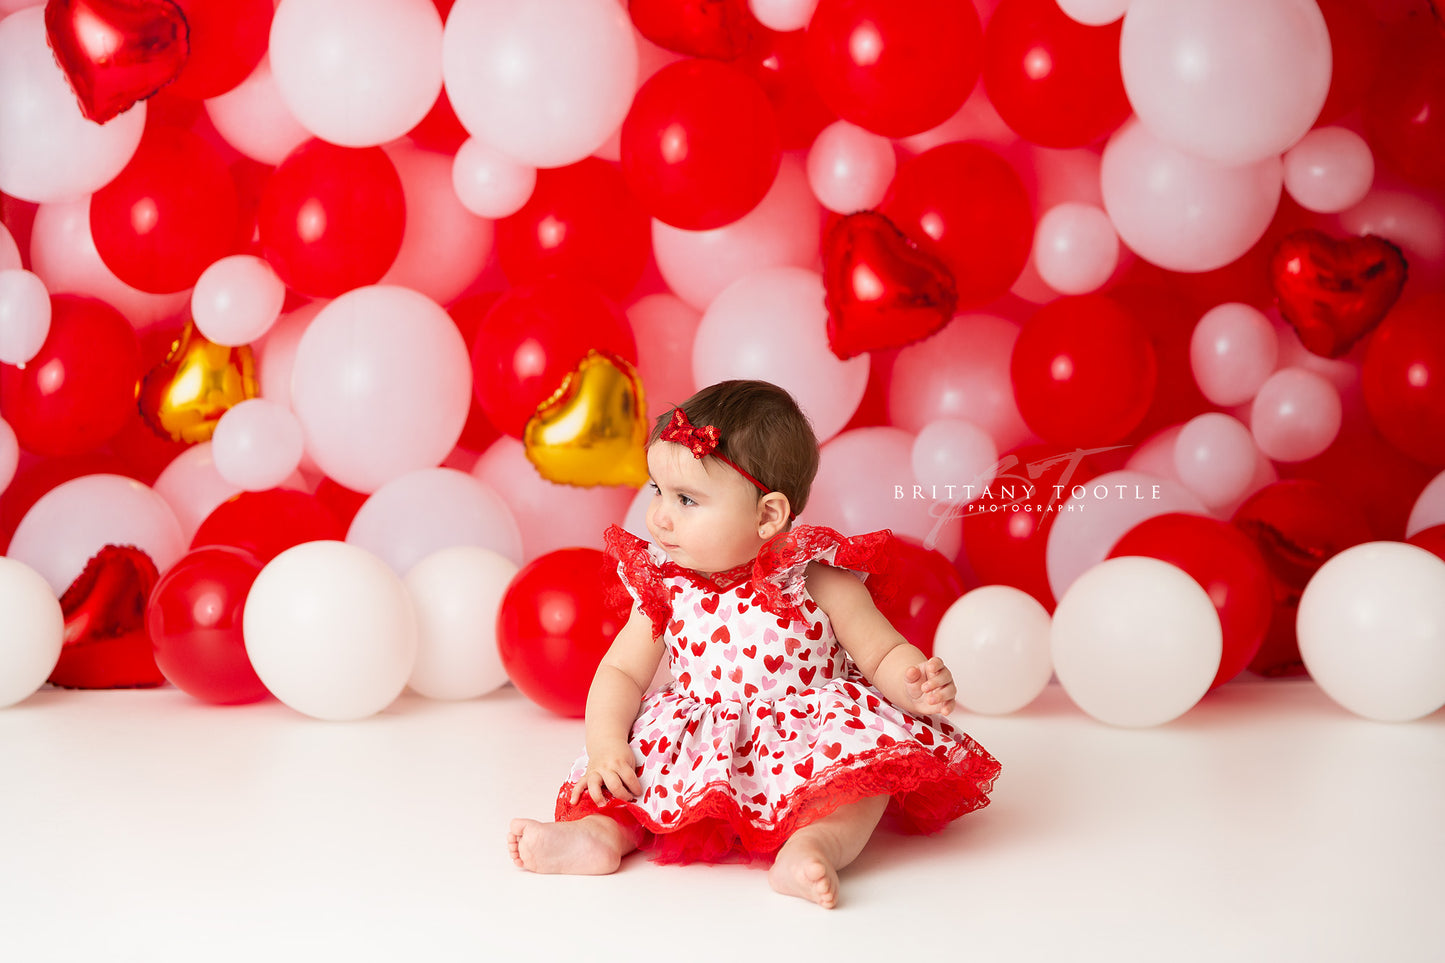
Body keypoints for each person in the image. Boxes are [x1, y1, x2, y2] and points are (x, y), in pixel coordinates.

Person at [507, 380, 1000, 908]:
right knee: (633, 781)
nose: (660, 517)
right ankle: (598, 838)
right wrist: (607, 746)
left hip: (809, 740)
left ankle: (815, 846)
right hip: (700, 741)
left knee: (862, 781)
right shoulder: (669, 585)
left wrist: (914, 682)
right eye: (659, 492)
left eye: (687, 499)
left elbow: (878, 652)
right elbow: (622, 673)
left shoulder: (813, 577)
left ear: (768, 515)